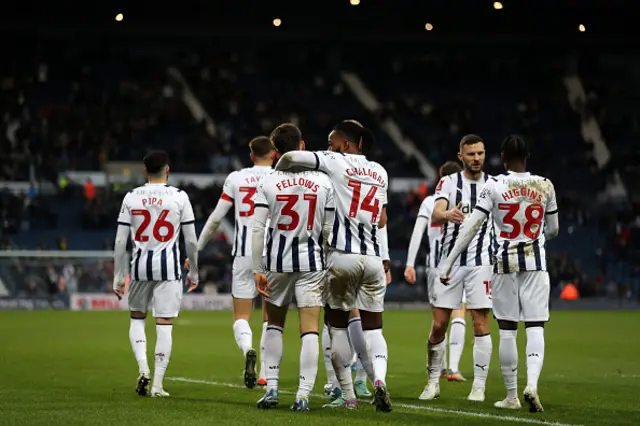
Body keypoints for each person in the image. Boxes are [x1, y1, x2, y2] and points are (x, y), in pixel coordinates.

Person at [275, 120, 392, 412]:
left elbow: (291, 157)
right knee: (374, 328)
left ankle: (349, 397)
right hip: (374, 260)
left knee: (336, 327)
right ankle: (379, 381)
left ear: (345, 144)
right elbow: (382, 219)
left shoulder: (335, 161)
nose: (328, 147)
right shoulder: (380, 171)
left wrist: (276, 175)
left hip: (342, 257)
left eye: (331, 142)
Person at [439, 135, 559, 412]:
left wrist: (448, 263)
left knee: (507, 329)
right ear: (527, 155)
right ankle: (532, 384)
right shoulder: (545, 185)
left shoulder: (494, 185)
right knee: (535, 326)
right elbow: (552, 229)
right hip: (536, 264)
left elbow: (471, 227)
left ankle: (512, 396)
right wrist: (535, 240)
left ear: (502, 157)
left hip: (504, 264)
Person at [252, 123, 335, 411]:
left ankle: (272, 390)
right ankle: (302, 396)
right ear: (303, 146)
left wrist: (256, 268)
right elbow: (328, 230)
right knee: (310, 329)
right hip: (312, 262)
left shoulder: (268, 182)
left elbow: (257, 228)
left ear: (276, 152)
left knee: (274, 323)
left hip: (277, 262)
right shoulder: (324, 182)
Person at [112, 150, 199, 398]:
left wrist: (118, 276)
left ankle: (143, 368)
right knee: (164, 324)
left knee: (137, 318)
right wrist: (194, 270)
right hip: (169, 269)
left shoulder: (131, 197)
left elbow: (120, 242)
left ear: (145, 172)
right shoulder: (180, 197)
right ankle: (158, 385)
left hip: (140, 267)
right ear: (167, 169)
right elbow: (191, 241)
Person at [192, 136, 274, 388]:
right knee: (271, 320)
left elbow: (216, 218)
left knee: (241, 316)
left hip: (244, 253)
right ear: (274, 154)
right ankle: (264, 373)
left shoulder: (236, 178)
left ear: (251, 155)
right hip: (272, 253)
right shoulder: (280, 177)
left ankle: (248, 349)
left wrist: (196, 250)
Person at [420, 134, 495, 402]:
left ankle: (479, 387)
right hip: (448, 264)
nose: (477, 158)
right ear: (461, 156)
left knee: (480, 322)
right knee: (439, 324)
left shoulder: (493, 185)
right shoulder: (449, 182)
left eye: (480, 153)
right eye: (471, 154)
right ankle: (432, 383)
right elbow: (436, 212)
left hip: (481, 263)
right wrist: (448, 214)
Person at [404, 161, 469, 381]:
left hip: (435, 266)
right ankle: (453, 367)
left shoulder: (430, 202)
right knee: (460, 312)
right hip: (459, 262)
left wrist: (410, 264)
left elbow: (417, 232)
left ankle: (437, 367)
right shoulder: (465, 201)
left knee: (439, 319)